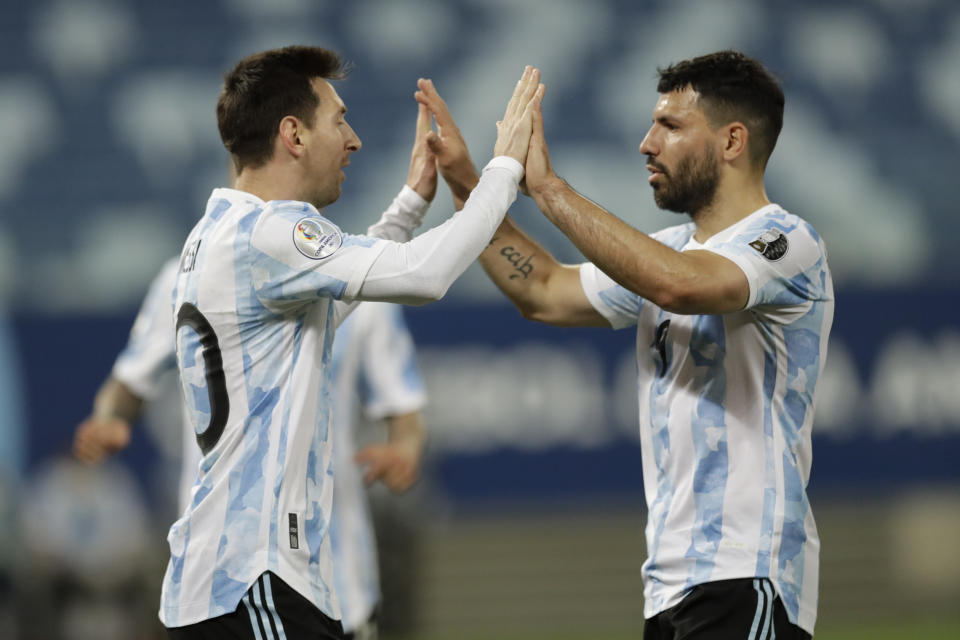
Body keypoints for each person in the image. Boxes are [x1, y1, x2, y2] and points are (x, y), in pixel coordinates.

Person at [416, 50, 832, 639]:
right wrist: (469, 184)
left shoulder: (787, 242)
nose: (646, 142)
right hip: (670, 583)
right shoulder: (669, 250)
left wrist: (549, 190)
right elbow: (543, 290)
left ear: (732, 141)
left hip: (749, 572)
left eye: (670, 126)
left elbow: (682, 286)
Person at [161, 45, 542, 639]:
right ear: (293, 134)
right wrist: (504, 168)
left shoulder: (226, 235)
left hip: (239, 580)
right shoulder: (269, 232)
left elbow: (339, 295)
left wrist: (412, 203)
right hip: (252, 580)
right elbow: (424, 275)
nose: (354, 139)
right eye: (338, 120)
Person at [73, 257, 428, 640]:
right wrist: (108, 417)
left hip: (337, 575)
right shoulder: (186, 276)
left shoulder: (353, 273)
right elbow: (128, 382)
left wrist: (405, 446)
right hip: (220, 582)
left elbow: (403, 404)